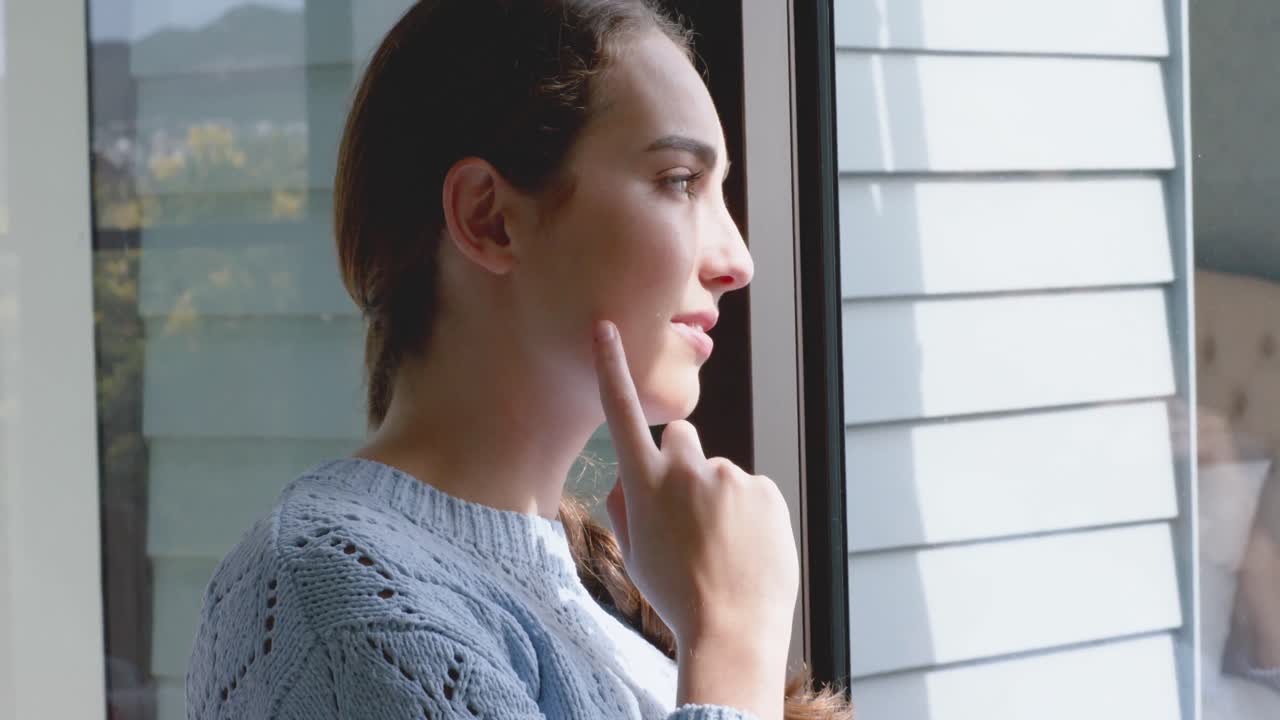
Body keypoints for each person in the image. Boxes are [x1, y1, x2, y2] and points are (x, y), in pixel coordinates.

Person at [184, 1, 853, 718]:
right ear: (488, 219)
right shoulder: (332, 600)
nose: (737, 261)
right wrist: (732, 644)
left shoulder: (605, 597)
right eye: (679, 181)